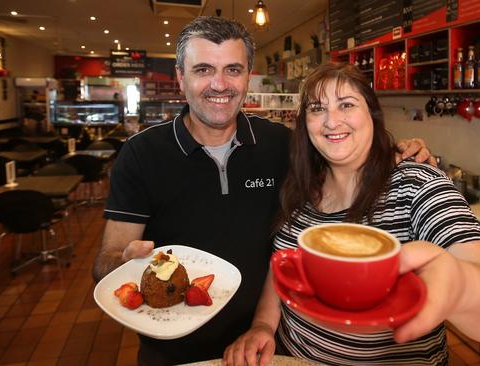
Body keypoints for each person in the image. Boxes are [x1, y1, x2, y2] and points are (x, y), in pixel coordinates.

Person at [92, 17, 433, 364]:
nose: (219, 84)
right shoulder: (141, 154)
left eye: (233, 69)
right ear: (181, 78)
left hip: (265, 346)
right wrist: (124, 266)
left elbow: (343, 151)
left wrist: (398, 151)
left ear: (247, 76)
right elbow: (109, 257)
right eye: (204, 69)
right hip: (172, 350)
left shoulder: (281, 145)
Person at [223, 63, 480, 366]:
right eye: (317, 109)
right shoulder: (300, 189)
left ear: (372, 114)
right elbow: (282, 269)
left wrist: (462, 286)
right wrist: (263, 324)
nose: (331, 121)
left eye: (346, 104)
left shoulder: (416, 186)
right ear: (305, 123)